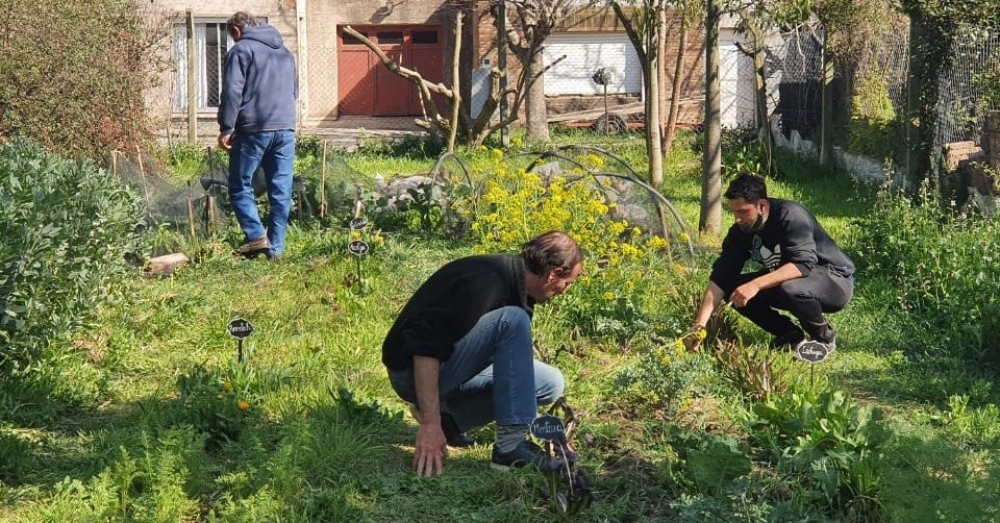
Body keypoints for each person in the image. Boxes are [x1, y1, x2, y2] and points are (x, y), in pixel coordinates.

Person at [382, 231, 584, 476]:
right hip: (410, 373)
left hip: (450, 367)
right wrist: (428, 423)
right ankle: (509, 449)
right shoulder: (488, 281)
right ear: (554, 274)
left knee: (549, 383)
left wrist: (554, 437)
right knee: (512, 320)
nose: (564, 291)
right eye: (568, 283)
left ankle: (451, 420)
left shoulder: (517, 287)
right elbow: (425, 346)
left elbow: (515, 379)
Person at [689, 172, 854, 353]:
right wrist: (699, 327)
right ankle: (790, 335)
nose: (737, 218)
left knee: (790, 289)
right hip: (793, 280)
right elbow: (721, 277)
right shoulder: (741, 231)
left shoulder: (791, 216)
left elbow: (802, 265)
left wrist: (755, 285)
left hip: (834, 280)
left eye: (743, 212)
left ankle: (823, 339)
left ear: (762, 205)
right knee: (733, 289)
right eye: (734, 212)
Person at [217, 12, 298, 259]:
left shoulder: (241, 50)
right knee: (281, 189)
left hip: (254, 128)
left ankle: (256, 237)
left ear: (237, 31)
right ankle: (276, 249)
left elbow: (232, 92)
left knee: (240, 185)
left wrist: (227, 127)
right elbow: (294, 91)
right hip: (285, 128)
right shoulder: (286, 53)